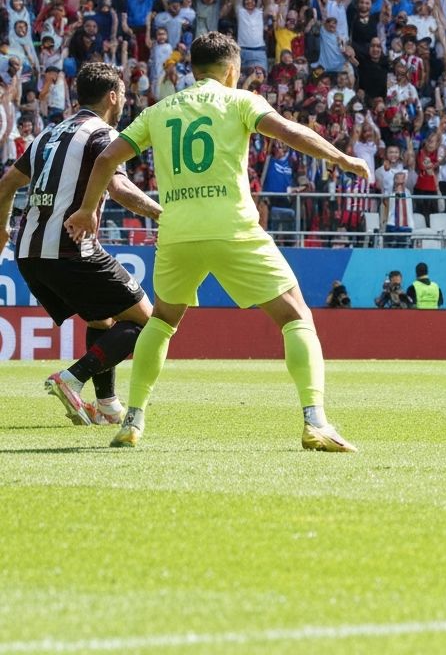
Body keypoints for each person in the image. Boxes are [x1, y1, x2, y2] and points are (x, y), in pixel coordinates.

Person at [64, 33, 371, 453]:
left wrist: (85, 210)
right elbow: (288, 132)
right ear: (232, 69)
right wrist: (341, 158)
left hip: (176, 231)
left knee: (162, 321)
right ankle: (314, 420)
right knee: (296, 316)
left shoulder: (158, 110)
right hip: (234, 228)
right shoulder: (240, 100)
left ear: (194, 69)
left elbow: (105, 160)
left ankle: (132, 421)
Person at [0, 63, 161, 426]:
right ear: (113, 96)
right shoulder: (102, 134)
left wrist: (3, 229)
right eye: (122, 96)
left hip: (29, 252)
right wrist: (164, 215)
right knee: (147, 321)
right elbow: (119, 188)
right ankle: (72, 378)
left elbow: (6, 184)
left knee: (101, 317)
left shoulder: (47, 135)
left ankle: (106, 404)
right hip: (69, 249)